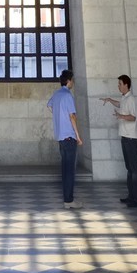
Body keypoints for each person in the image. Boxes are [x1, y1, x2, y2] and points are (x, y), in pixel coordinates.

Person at [102, 74, 137, 208]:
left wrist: (121, 116)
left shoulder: (131, 99)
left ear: (126, 84)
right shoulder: (124, 98)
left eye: (120, 84)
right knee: (129, 168)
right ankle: (131, 196)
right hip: (125, 136)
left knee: (134, 169)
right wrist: (110, 100)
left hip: (130, 137)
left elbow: (133, 117)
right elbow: (120, 104)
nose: (118, 86)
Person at [47, 69, 83, 206]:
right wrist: (78, 136)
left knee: (65, 169)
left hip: (61, 137)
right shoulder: (68, 96)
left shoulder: (56, 94)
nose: (73, 83)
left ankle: (68, 198)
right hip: (69, 136)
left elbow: (49, 106)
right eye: (72, 80)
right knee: (70, 171)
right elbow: (72, 116)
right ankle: (69, 200)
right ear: (68, 81)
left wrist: (59, 117)